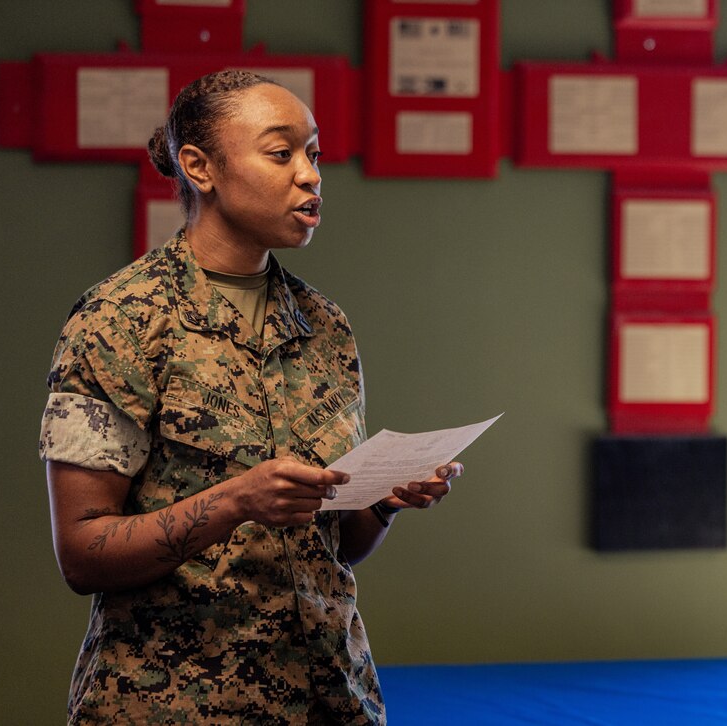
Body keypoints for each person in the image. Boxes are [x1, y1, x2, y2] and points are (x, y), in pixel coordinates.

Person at [39, 70, 461, 724]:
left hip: (331, 696)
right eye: (281, 153)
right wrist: (235, 502)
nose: (310, 176)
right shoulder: (119, 321)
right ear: (199, 167)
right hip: (175, 706)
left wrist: (383, 500)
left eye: (314, 154)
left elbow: (334, 547)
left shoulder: (324, 325)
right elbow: (83, 553)